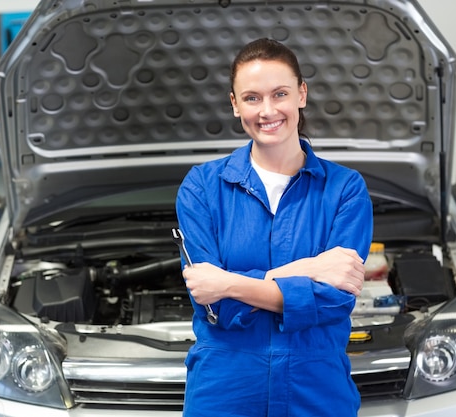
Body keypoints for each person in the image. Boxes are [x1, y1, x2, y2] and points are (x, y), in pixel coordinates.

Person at [175, 38, 373, 417]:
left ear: (302, 94)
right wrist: (310, 270)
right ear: (235, 105)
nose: (267, 111)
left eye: (279, 93)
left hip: (316, 388)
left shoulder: (345, 189)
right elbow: (214, 305)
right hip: (224, 390)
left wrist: (231, 282)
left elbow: (334, 299)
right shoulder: (201, 187)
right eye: (251, 98)